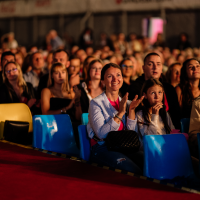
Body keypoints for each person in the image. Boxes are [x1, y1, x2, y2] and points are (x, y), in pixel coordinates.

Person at [87, 63, 144, 174]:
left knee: (149, 163)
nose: (115, 79)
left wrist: (131, 111)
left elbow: (132, 133)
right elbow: (101, 134)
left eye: (118, 75)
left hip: (123, 146)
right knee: (133, 171)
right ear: (103, 81)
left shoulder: (126, 103)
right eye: (110, 76)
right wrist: (120, 113)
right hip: (103, 147)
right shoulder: (96, 103)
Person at [128, 52, 181, 129]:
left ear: (162, 68)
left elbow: (176, 115)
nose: (155, 67)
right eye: (150, 64)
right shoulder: (134, 88)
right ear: (143, 68)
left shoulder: (169, 88)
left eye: (158, 64)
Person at [127, 79, 174, 150]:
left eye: (159, 92)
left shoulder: (165, 113)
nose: (157, 96)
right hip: (149, 151)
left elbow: (172, 132)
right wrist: (154, 116)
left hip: (165, 149)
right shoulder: (140, 114)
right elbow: (149, 141)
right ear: (145, 95)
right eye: (152, 93)